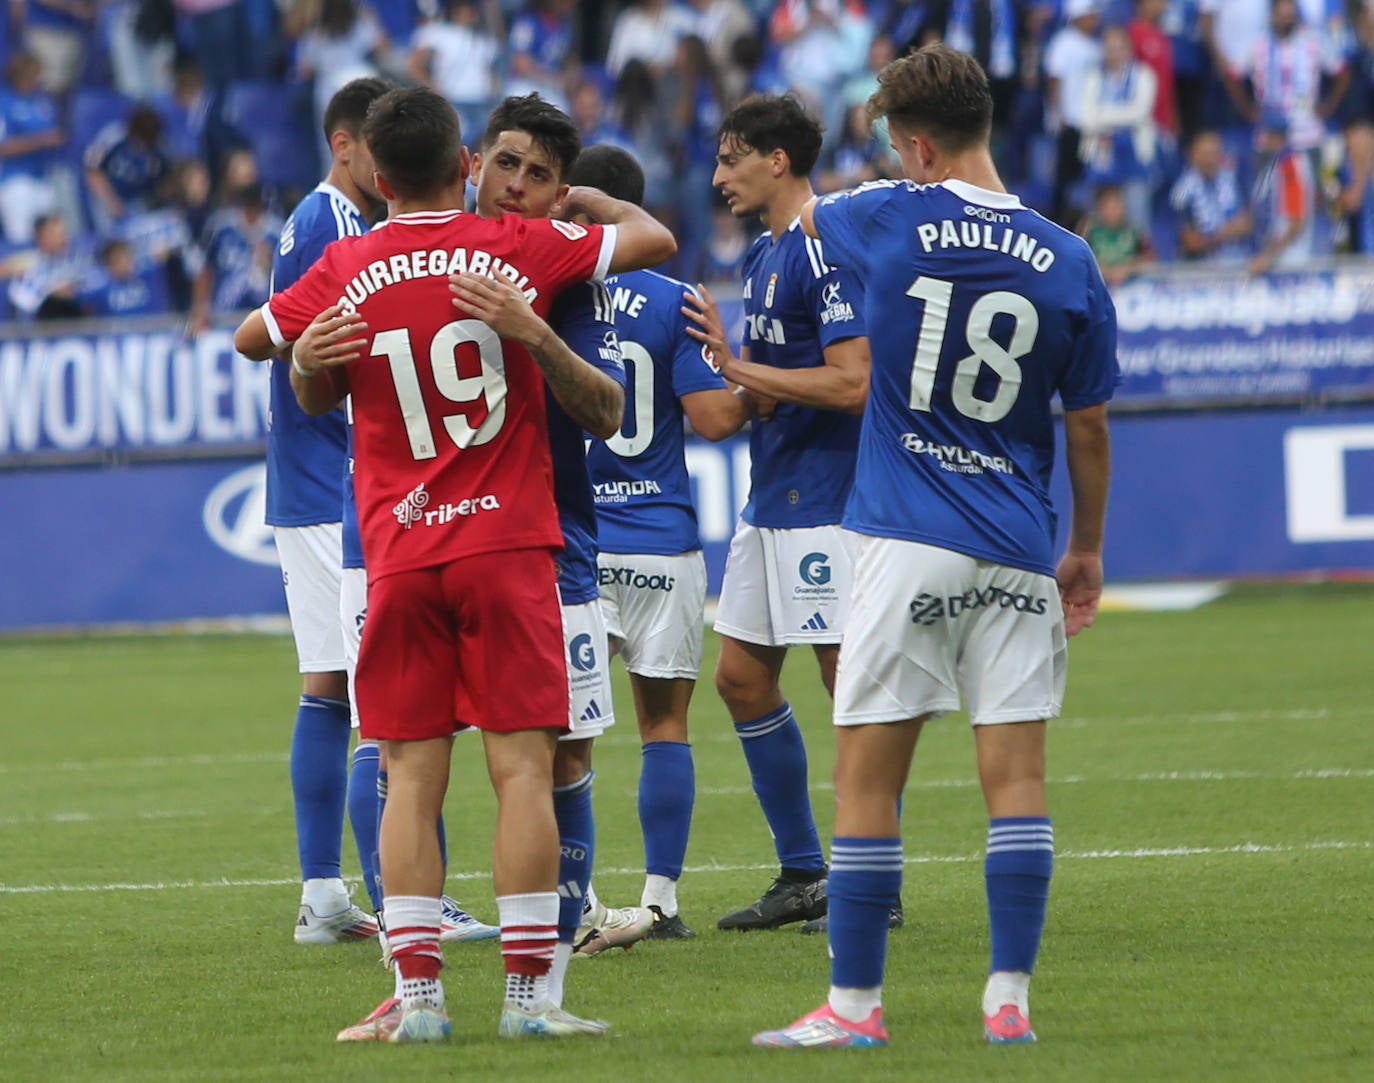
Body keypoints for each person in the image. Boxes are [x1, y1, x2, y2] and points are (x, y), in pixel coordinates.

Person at [234, 85, 676, 1043]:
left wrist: (308, 351)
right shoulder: (510, 248)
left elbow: (253, 340)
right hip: (507, 544)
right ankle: (528, 1002)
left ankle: (422, 1003)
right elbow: (651, 241)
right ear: (468, 166)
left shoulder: (346, 265)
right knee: (523, 770)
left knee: (408, 774)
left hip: (398, 550)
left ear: (378, 177)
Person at [752, 43, 1117, 1049]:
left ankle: (855, 1009)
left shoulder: (883, 212)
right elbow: (1086, 427)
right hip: (1016, 541)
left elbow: (810, 214)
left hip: (906, 536)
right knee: (1019, 779)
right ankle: (1009, 999)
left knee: (870, 777)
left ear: (915, 145)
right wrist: (1083, 547)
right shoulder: (1071, 257)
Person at [680, 93, 870, 933]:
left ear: (777, 160)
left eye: (733, 159)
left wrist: (744, 371)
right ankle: (802, 870)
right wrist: (713, 381)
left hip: (828, 500)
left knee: (846, 686)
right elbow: (743, 398)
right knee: (741, 678)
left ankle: (873, 878)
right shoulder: (763, 257)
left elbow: (851, 381)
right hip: (771, 498)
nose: (720, 176)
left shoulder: (823, 247)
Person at [574, 143, 757, 940]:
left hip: (577, 541)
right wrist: (766, 386)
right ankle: (661, 899)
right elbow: (717, 420)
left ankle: (567, 899)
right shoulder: (676, 298)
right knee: (665, 727)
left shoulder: (553, 290)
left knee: (561, 731)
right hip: (662, 538)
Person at [260, 76, 392, 948]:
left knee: (330, 685)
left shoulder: (321, 219)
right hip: (333, 481)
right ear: (344, 143)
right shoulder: (335, 224)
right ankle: (395, 896)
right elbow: (306, 346)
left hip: (310, 481)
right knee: (374, 690)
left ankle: (324, 895)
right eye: (379, 145)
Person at [1170, 127, 1252, 260]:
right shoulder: (1180, 193)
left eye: (1214, 153)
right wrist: (1225, 233)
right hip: (1199, 269)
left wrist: (1209, 236)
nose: (1210, 159)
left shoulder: (1233, 180)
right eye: (1204, 154)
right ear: (1192, 156)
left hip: (1238, 262)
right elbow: (1191, 242)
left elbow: (1248, 224)